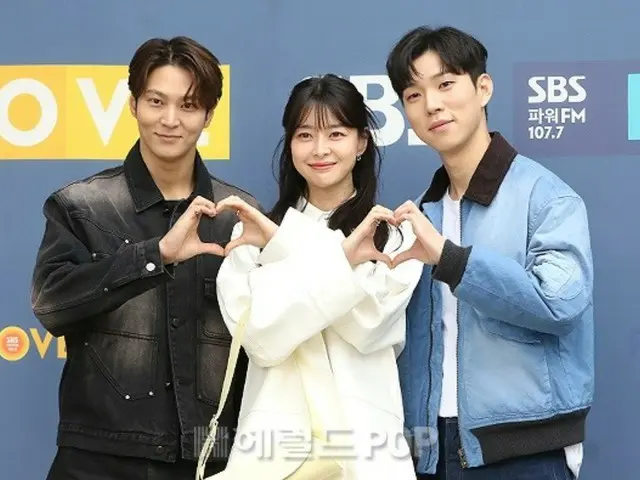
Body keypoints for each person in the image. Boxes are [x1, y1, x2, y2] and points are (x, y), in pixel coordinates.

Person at [30, 36, 258, 480]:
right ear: (133, 104)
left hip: (211, 460)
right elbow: (51, 305)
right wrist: (156, 255)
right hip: (98, 459)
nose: (170, 120)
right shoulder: (81, 206)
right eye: (157, 101)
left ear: (209, 115)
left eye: (189, 105)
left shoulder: (239, 215)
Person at [384, 26, 595, 480]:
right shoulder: (423, 211)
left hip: (525, 449)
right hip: (432, 449)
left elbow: (558, 304)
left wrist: (452, 260)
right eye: (414, 94)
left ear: (483, 88)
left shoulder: (547, 198)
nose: (432, 104)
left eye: (444, 84)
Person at [205, 74, 423, 479]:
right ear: (290, 144)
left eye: (336, 134)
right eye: (305, 135)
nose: (320, 150)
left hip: (366, 450)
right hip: (273, 455)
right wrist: (337, 265)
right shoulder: (251, 234)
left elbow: (369, 325)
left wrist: (284, 249)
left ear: (361, 143)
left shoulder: (395, 234)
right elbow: (260, 336)